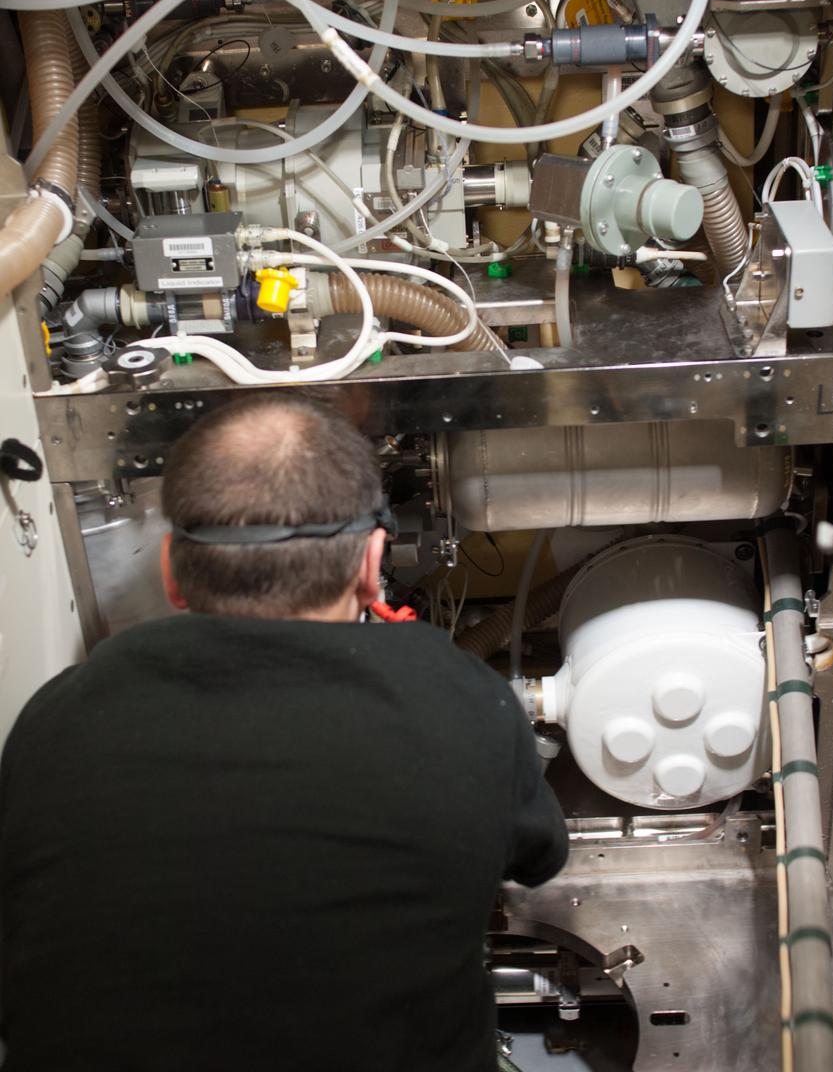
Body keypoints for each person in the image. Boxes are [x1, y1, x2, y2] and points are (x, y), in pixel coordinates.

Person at [0, 395, 567, 1072]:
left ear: (172, 572)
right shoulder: (460, 695)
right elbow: (539, 859)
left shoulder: (55, 716)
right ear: (370, 565)